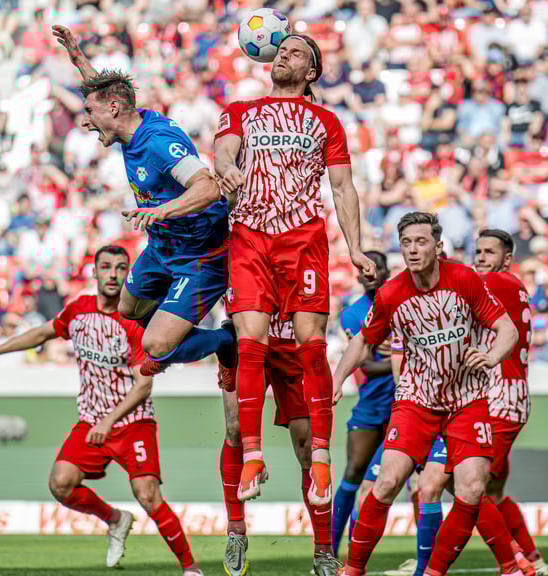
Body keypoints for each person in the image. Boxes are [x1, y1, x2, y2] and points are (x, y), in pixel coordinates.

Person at [0, 245, 203, 576]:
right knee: (61, 483)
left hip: (133, 422)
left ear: (129, 274)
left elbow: (143, 385)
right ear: (95, 273)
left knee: (147, 495)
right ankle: (115, 519)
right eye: (106, 267)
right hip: (92, 421)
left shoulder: (135, 322)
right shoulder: (79, 310)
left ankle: (190, 568)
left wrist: (109, 420)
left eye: (120, 268)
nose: (113, 274)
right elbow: (43, 333)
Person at [214, 32, 376, 508]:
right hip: (249, 236)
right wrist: (226, 167)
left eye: (296, 53)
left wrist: (357, 248)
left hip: (302, 238)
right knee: (250, 342)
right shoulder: (241, 109)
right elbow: (225, 150)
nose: (283, 54)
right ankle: (253, 457)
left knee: (310, 343)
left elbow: (343, 188)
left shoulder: (326, 120)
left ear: (311, 72)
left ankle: (321, 461)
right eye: (280, 50)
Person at [333, 212, 519, 576]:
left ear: (438, 246)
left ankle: (433, 571)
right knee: (384, 484)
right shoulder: (391, 293)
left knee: (471, 489)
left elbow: (506, 330)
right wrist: (336, 380)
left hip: (467, 400)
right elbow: (363, 343)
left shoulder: (464, 280)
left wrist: (492, 356)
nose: (413, 250)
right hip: (417, 401)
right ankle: (352, 570)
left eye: (421, 242)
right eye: (406, 243)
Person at [51, 25, 236, 383]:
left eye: (89, 112)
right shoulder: (127, 126)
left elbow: (209, 187)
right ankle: (173, 334)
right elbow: (104, 97)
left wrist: (160, 211)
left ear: (114, 109)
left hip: (200, 254)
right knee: (128, 307)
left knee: (154, 344)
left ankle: (225, 341)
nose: (86, 121)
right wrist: (79, 60)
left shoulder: (158, 142)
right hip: (163, 246)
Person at [385, 229, 547, 576]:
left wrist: (424, 258)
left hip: (496, 394)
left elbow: (452, 278)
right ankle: (529, 557)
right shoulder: (507, 286)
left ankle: (514, 565)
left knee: (464, 486)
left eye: (490, 252)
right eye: (478, 251)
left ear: (507, 259)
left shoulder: (498, 282)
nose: (481, 258)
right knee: (491, 489)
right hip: (507, 393)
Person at [219, 314, 338, 576]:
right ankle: (236, 532)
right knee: (235, 428)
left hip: (290, 339)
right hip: (247, 333)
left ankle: (324, 551)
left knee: (308, 448)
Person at [331, 251, 392, 552]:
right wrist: (405, 359)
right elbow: (366, 364)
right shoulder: (353, 314)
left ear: (386, 271)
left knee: (409, 481)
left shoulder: (403, 302)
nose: (369, 273)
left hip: (405, 404)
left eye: (375, 267)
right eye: (363, 268)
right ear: (357, 275)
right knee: (353, 473)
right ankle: (328, 551)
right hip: (371, 402)